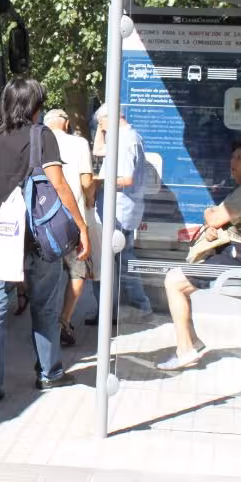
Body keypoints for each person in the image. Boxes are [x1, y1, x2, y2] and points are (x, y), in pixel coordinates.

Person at [0, 78, 91, 405]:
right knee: (45, 305)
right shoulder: (42, 137)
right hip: (39, 237)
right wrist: (81, 227)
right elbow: (61, 186)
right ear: (33, 107)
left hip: (2, 237)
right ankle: (49, 373)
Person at [158, 141, 241, 371]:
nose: (232, 162)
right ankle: (192, 343)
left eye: (239, 158)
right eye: (233, 157)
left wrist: (212, 218)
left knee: (173, 281)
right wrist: (218, 223)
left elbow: (213, 217)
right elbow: (221, 219)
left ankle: (185, 350)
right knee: (178, 282)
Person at [85, 103, 152, 326]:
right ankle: (130, 307)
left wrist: (97, 181)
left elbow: (125, 179)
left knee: (111, 261)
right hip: (123, 208)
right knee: (122, 259)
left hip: (118, 210)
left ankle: (126, 309)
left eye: (101, 123)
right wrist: (103, 132)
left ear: (109, 118)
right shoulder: (127, 136)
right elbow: (97, 151)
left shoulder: (124, 141)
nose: (99, 127)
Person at [43, 108, 97, 347]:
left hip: (42, 220)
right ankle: (63, 320)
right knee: (78, 271)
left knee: (44, 275)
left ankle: (43, 323)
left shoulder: (38, 142)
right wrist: (89, 200)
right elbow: (86, 181)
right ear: (65, 124)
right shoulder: (79, 143)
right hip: (71, 220)